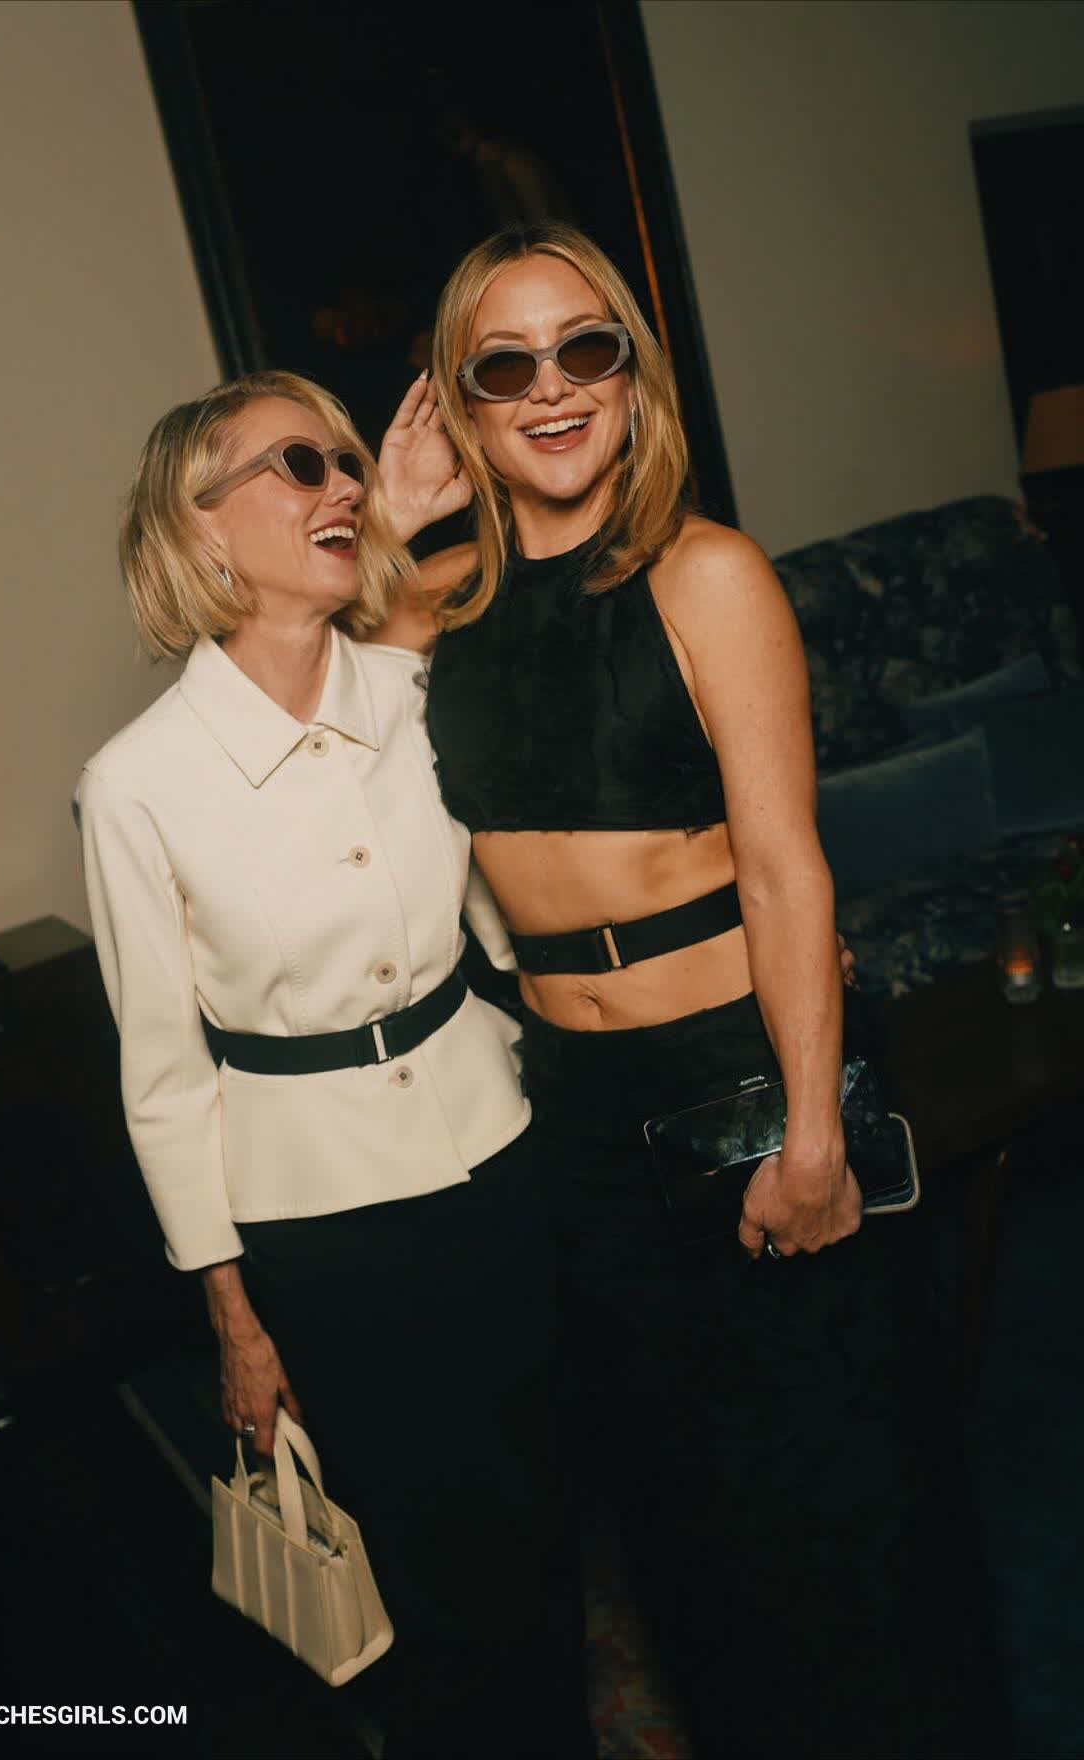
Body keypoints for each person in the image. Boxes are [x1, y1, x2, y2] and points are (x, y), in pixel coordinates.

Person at [374, 223, 994, 1760]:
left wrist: (814, 1134)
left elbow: (787, 870)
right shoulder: (436, 603)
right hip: (576, 1108)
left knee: (842, 1478)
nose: (553, 388)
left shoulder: (706, 575)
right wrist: (392, 515)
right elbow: (324, 683)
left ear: (631, 373)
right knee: (678, 1495)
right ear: (461, 401)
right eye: (503, 366)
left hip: (744, 1069)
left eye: (585, 348)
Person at [74, 370, 591, 1759]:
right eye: (298, 465)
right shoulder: (137, 785)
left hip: (498, 1153)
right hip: (321, 1227)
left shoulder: (417, 689)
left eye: (347, 461)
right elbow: (162, 1074)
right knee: (438, 1587)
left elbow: (511, 902)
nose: (344, 485)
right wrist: (232, 1314)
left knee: (546, 1527)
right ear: (201, 526)